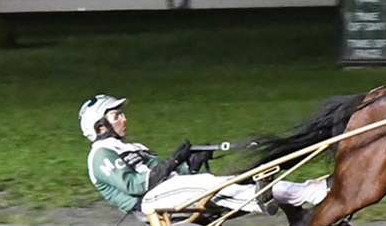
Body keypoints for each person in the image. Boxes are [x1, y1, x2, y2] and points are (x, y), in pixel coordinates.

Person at [78, 94, 328, 219]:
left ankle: (309, 191)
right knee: (218, 185)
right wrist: (175, 160)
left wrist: (190, 164)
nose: (123, 118)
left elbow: (170, 175)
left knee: (240, 180)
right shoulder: (100, 156)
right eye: (116, 116)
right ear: (100, 127)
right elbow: (134, 185)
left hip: (166, 189)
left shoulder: (132, 147)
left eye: (121, 114)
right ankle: (273, 199)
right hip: (147, 201)